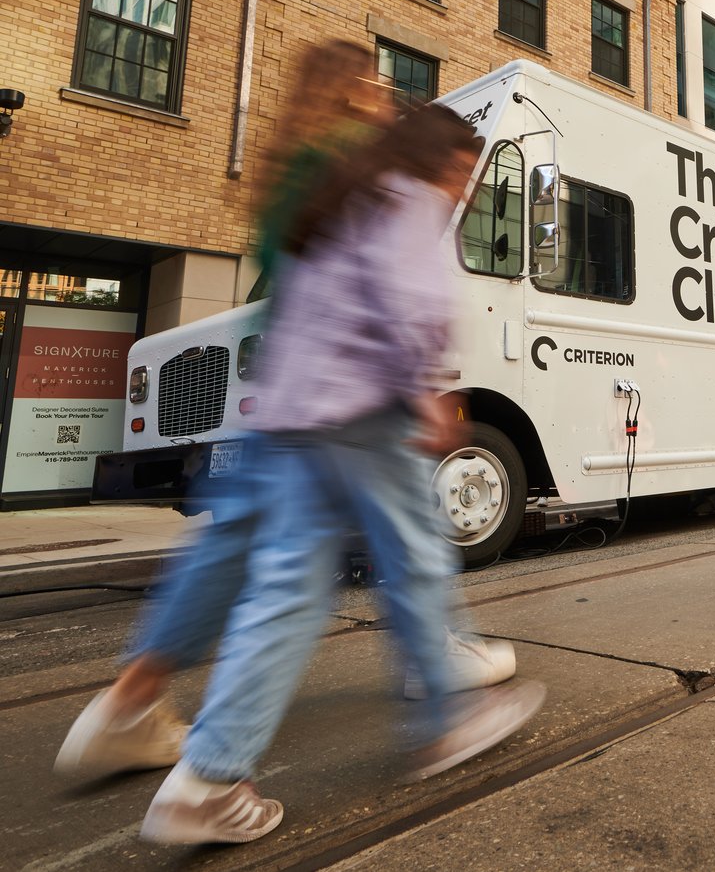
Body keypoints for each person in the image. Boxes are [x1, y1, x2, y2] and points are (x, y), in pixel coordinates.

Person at [53, 44, 513, 791]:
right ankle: (433, 686)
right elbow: (399, 285)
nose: (379, 94)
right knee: (367, 556)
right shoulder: (366, 170)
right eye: (369, 81)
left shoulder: (298, 168)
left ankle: (142, 712)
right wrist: (425, 385)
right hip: (352, 394)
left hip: (285, 395)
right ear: (345, 93)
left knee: (252, 558)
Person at [135, 107, 542, 845]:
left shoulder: (347, 196)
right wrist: (427, 394)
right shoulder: (412, 200)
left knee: (284, 593)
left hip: (293, 418)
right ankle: (451, 717)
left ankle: (209, 777)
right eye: (462, 171)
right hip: (366, 414)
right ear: (442, 160)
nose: (462, 189)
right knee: (417, 559)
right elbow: (408, 306)